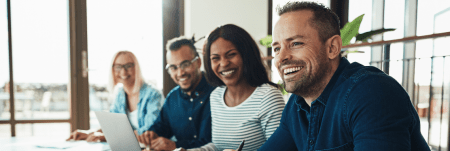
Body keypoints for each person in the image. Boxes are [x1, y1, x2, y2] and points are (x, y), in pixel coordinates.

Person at [258, 2, 430, 151]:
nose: (281, 58)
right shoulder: (297, 106)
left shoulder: (371, 93)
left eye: (296, 43)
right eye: (277, 48)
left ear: (332, 47)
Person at [197, 24, 285, 151]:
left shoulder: (268, 97)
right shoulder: (216, 96)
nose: (223, 63)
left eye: (231, 54)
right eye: (215, 58)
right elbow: (218, 146)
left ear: (246, 55)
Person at [136, 36, 216, 150]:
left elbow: (216, 143)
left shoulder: (217, 93)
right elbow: (161, 126)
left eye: (185, 64)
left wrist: (176, 146)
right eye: (173, 67)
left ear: (198, 62)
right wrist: (152, 134)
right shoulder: (172, 98)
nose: (180, 73)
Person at [66, 51, 164, 142]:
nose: (123, 72)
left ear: (136, 67)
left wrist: (107, 137)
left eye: (128, 66)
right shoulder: (120, 94)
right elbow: (112, 127)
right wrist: (89, 133)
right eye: (118, 67)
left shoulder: (153, 95)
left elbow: (149, 133)